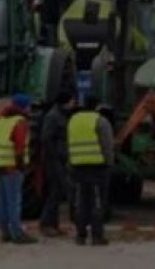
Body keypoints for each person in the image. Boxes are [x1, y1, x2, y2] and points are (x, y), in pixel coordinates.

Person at [68, 94, 114, 246]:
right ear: (97, 106)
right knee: (97, 203)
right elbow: (107, 144)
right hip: (97, 167)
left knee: (81, 202)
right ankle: (97, 236)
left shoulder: (73, 120)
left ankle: (80, 236)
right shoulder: (100, 121)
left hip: (77, 166)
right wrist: (109, 163)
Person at [0, 93, 37, 244]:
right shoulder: (20, 122)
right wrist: (21, 166)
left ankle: (5, 232)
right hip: (12, 167)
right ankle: (17, 233)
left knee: (3, 200)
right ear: (24, 106)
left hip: (0, 164)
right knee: (14, 201)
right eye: (29, 105)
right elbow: (19, 147)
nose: (31, 108)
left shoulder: (2, 120)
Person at [39, 90, 76, 237]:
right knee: (55, 191)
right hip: (54, 160)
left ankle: (54, 224)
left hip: (60, 159)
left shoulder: (61, 115)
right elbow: (47, 138)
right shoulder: (53, 117)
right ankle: (46, 224)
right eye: (72, 101)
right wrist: (54, 156)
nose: (74, 103)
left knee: (59, 191)